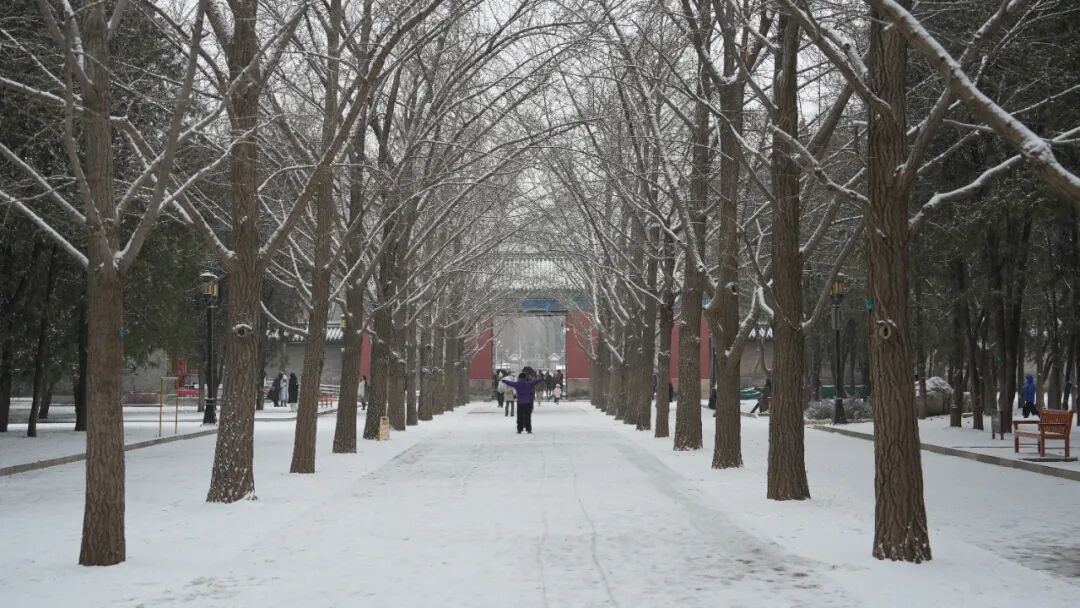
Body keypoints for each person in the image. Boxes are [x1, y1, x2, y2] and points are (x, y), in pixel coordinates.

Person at [501, 366, 546, 434]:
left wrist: (503, 380)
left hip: (520, 403)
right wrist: (542, 378)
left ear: (519, 377)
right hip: (528, 402)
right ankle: (528, 429)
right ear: (525, 377)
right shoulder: (529, 383)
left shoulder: (517, 384)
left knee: (520, 416)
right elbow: (536, 381)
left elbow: (510, 383)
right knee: (528, 416)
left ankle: (519, 429)